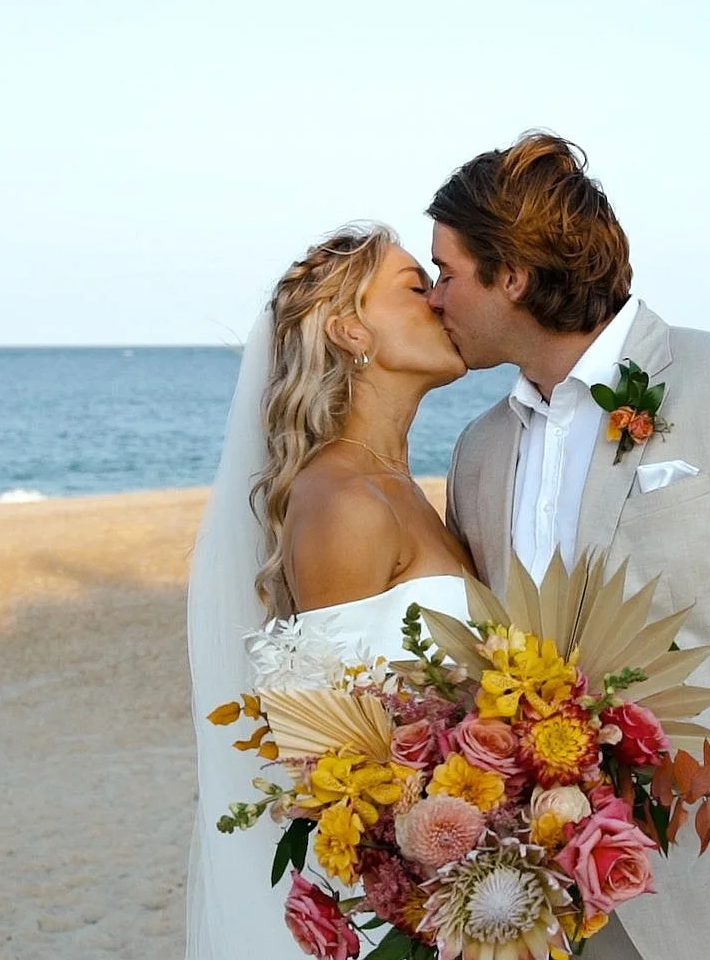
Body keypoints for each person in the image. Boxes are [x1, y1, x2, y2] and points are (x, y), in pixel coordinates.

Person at [429, 132, 710, 960]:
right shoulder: (477, 449)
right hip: (529, 894)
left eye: (447, 272)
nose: (434, 299)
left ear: (514, 277)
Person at [183, 223, 475, 960]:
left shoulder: (396, 486)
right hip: (405, 907)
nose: (442, 301)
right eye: (417, 285)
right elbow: (331, 766)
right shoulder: (342, 501)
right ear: (349, 331)